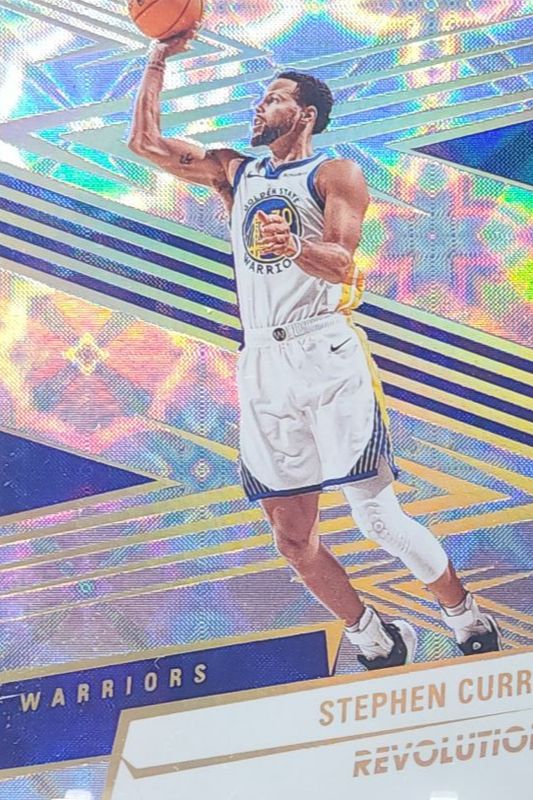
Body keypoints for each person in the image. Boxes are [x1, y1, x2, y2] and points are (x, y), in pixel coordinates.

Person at [128, 31, 501, 670]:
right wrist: (157, 59)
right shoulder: (235, 171)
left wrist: (294, 246)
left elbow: (342, 261)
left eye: (272, 99)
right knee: (291, 538)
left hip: (324, 350)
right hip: (261, 362)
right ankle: (373, 634)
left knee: (376, 518)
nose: (258, 107)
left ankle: (462, 613)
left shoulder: (335, 174)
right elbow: (146, 144)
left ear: (303, 115)